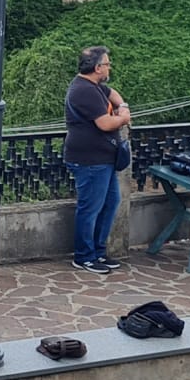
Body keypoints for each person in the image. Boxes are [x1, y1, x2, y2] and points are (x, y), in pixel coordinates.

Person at [63, 45, 129, 275]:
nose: (110, 67)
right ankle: (84, 256)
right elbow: (104, 123)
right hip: (89, 160)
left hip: (104, 158)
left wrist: (122, 106)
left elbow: (114, 94)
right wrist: (122, 118)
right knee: (90, 208)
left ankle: (98, 251)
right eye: (108, 64)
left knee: (110, 203)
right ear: (98, 67)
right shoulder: (83, 90)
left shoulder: (96, 87)